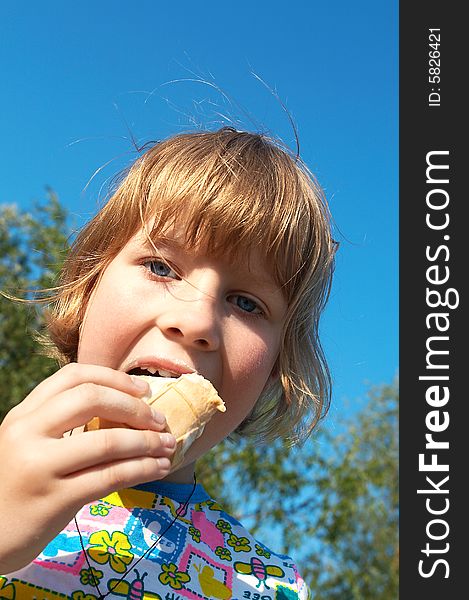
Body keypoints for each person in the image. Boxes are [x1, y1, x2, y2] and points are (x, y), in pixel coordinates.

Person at [0, 127, 335, 599]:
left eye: (245, 303)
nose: (196, 321)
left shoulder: (267, 584)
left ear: (276, 367)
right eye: (161, 267)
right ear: (88, 283)